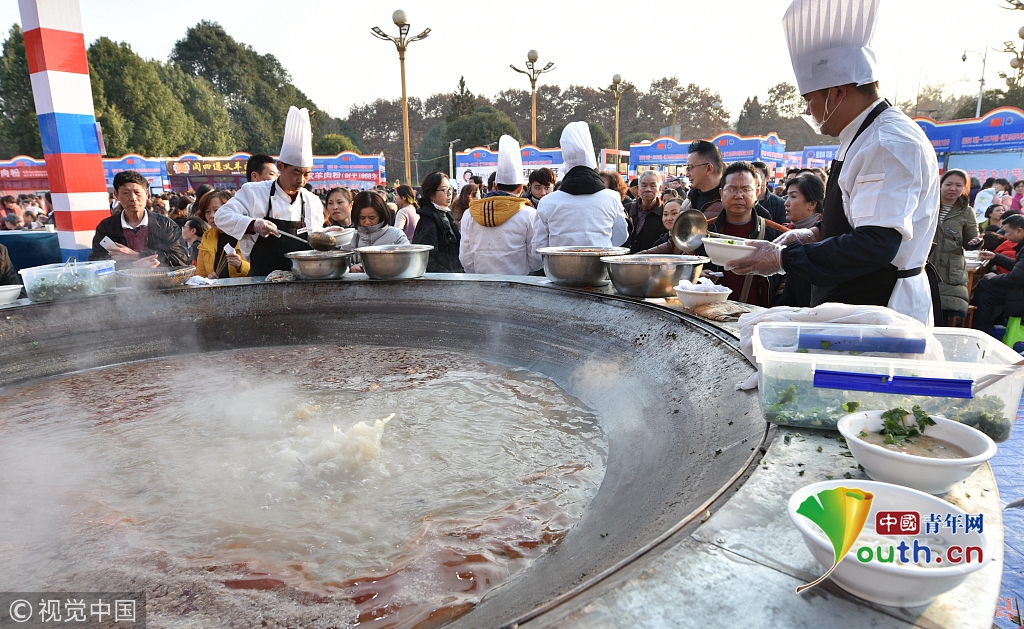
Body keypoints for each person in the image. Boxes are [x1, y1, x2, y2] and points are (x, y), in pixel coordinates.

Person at [729, 0, 940, 325]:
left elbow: (876, 244)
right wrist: (811, 235)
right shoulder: (861, 136)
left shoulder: (888, 142)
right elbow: (857, 224)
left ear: (838, 92)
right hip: (856, 299)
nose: (810, 111)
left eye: (810, 99)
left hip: (882, 304)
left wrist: (783, 258)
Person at [215, 107, 326, 276]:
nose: (301, 180)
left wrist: (328, 235)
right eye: (296, 172)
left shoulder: (312, 201)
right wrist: (253, 224)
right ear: (280, 166)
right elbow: (221, 216)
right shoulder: (254, 192)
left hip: (302, 281)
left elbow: (314, 240)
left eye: (307, 174)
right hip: (261, 281)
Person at [532, 122, 630, 250]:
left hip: (559, 268)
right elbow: (620, 237)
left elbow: (538, 246)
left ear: (566, 170)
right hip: (600, 267)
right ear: (595, 168)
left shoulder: (547, 201)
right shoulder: (612, 197)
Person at [699, 162, 782, 306]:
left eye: (746, 189)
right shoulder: (704, 232)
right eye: (731, 189)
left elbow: (785, 281)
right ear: (721, 193)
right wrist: (696, 276)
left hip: (755, 318)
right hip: (709, 317)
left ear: (757, 193)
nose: (739, 195)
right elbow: (686, 269)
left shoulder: (774, 235)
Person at [460, 135, 541, 275]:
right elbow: (536, 260)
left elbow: (465, 259)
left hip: (480, 286)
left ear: (495, 186)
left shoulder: (470, 213)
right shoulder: (529, 214)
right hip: (518, 286)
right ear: (521, 188)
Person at [89, 171, 188, 268]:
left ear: (146, 193)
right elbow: (96, 262)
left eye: (137, 192)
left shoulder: (165, 224)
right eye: (126, 193)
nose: (133, 198)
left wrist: (137, 255)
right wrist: (133, 265)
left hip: (161, 282)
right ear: (116, 195)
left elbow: (181, 258)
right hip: (121, 283)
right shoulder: (107, 227)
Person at [927, 169, 979, 324]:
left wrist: (975, 243)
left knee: (942, 317)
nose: (953, 188)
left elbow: (971, 239)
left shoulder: (967, 211)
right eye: (948, 184)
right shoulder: (928, 205)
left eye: (958, 185)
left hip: (950, 272)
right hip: (926, 264)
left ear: (964, 188)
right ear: (940, 185)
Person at [972, 213, 1024, 331]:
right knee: (986, 297)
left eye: (1007, 232)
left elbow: (1015, 278)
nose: (1005, 236)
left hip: (1020, 294)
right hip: (1020, 290)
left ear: (1019, 231)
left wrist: (994, 277)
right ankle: (980, 329)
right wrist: (995, 257)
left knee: (985, 284)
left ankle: (973, 323)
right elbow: (1017, 267)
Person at [412, 172, 463, 273]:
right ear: (431, 194)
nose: (449, 193)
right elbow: (427, 259)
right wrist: (448, 277)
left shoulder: (447, 214)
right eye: (444, 190)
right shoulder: (428, 221)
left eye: (450, 189)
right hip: (442, 282)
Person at [349, 191, 409, 272]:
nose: (367, 222)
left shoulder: (396, 235)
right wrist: (350, 268)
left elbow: (408, 261)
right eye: (362, 217)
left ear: (381, 215)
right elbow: (340, 265)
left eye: (372, 217)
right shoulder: (350, 237)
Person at [195, 191, 249, 279]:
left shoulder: (247, 233)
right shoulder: (207, 237)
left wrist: (241, 266)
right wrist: (208, 279)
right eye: (207, 211)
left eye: (217, 210)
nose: (211, 215)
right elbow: (200, 275)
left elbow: (263, 271)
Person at [680, 140, 724, 221]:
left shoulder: (730, 202)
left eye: (690, 168)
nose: (687, 174)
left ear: (709, 169)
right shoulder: (689, 199)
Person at [626, 170, 667, 253]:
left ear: (660, 189)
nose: (648, 189)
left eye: (653, 186)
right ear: (638, 188)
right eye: (644, 185)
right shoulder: (626, 209)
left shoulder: (665, 214)